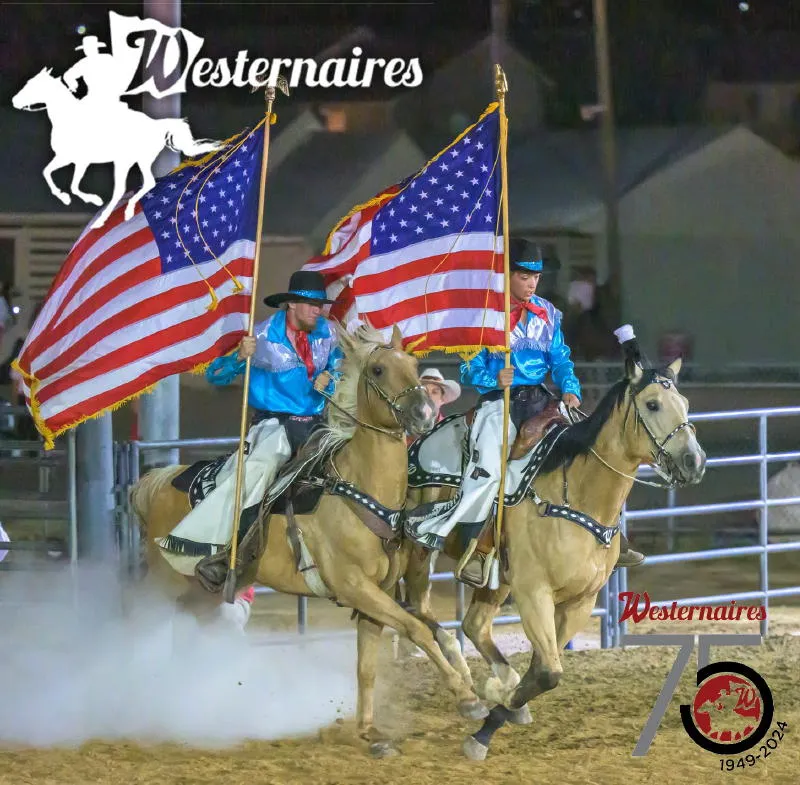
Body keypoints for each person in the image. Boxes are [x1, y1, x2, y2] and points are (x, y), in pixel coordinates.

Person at [406, 238, 642, 586]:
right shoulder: (484, 315)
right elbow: (469, 368)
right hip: (498, 402)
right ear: (506, 276)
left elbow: (560, 359)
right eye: (523, 276)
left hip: (541, 400)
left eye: (536, 276)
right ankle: (478, 548)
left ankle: (613, 536)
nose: (532, 282)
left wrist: (571, 388)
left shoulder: (548, 313)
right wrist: (492, 377)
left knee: (595, 449)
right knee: (487, 468)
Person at [158, 270, 341, 591]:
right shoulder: (260, 337)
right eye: (312, 305)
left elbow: (338, 367)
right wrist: (237, 359)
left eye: (319, 305)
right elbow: (216, 377)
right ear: (291, 305)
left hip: (320, 423)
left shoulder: (328, 334)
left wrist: (333, 379)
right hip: (275, 424)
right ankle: (224, 550)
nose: (318, 310)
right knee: (258, 470)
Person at [406, 368, 461, 446]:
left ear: (442, 399)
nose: (428, 396)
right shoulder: (401, 430)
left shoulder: (451, 432)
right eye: (423, 391)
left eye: (434, 392)